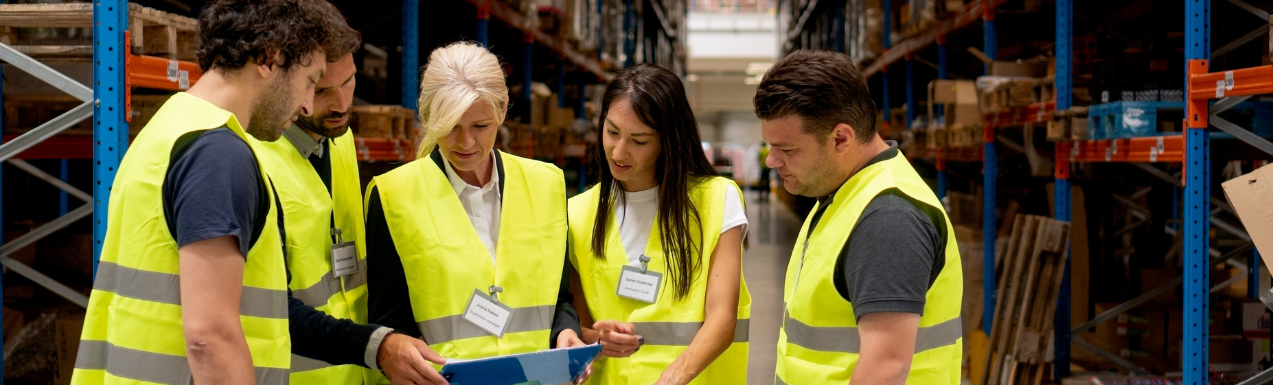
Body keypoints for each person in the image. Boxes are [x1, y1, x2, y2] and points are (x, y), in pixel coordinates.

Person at [73, 2, 446, 384]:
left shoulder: (172, 125)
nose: (306, 104)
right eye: (310, 81)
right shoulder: (219, 155)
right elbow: (210, 336)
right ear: (270, 59)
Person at [365, 42, 589, 384]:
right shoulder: (393, 195)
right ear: (429, 118)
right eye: (451, 126)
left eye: (480, 126)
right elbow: (390, 321)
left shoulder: (546, 184)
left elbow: (558, 298)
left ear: (501, 112)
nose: (466, 142)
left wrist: (566, 332)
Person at [755, 50, 963, 385]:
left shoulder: (888, 218)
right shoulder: (843, 195)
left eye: (788, 149)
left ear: (841, 138)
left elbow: (886, 367)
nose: (772, 161)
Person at [566, 63, 751, 385]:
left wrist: (676, 376)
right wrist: (595, 338)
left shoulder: (716, 200)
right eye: (612, 132)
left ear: (669, 140)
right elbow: (581, 322)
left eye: (639, 141)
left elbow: (723, 317)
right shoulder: (579, 213)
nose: (619, 151)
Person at [244, 19, 390, 384]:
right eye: (323, 90)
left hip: (356, 369)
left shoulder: (340, 138)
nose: (342, 103)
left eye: (349, 81)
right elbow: (259, 304)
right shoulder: (251, 158)